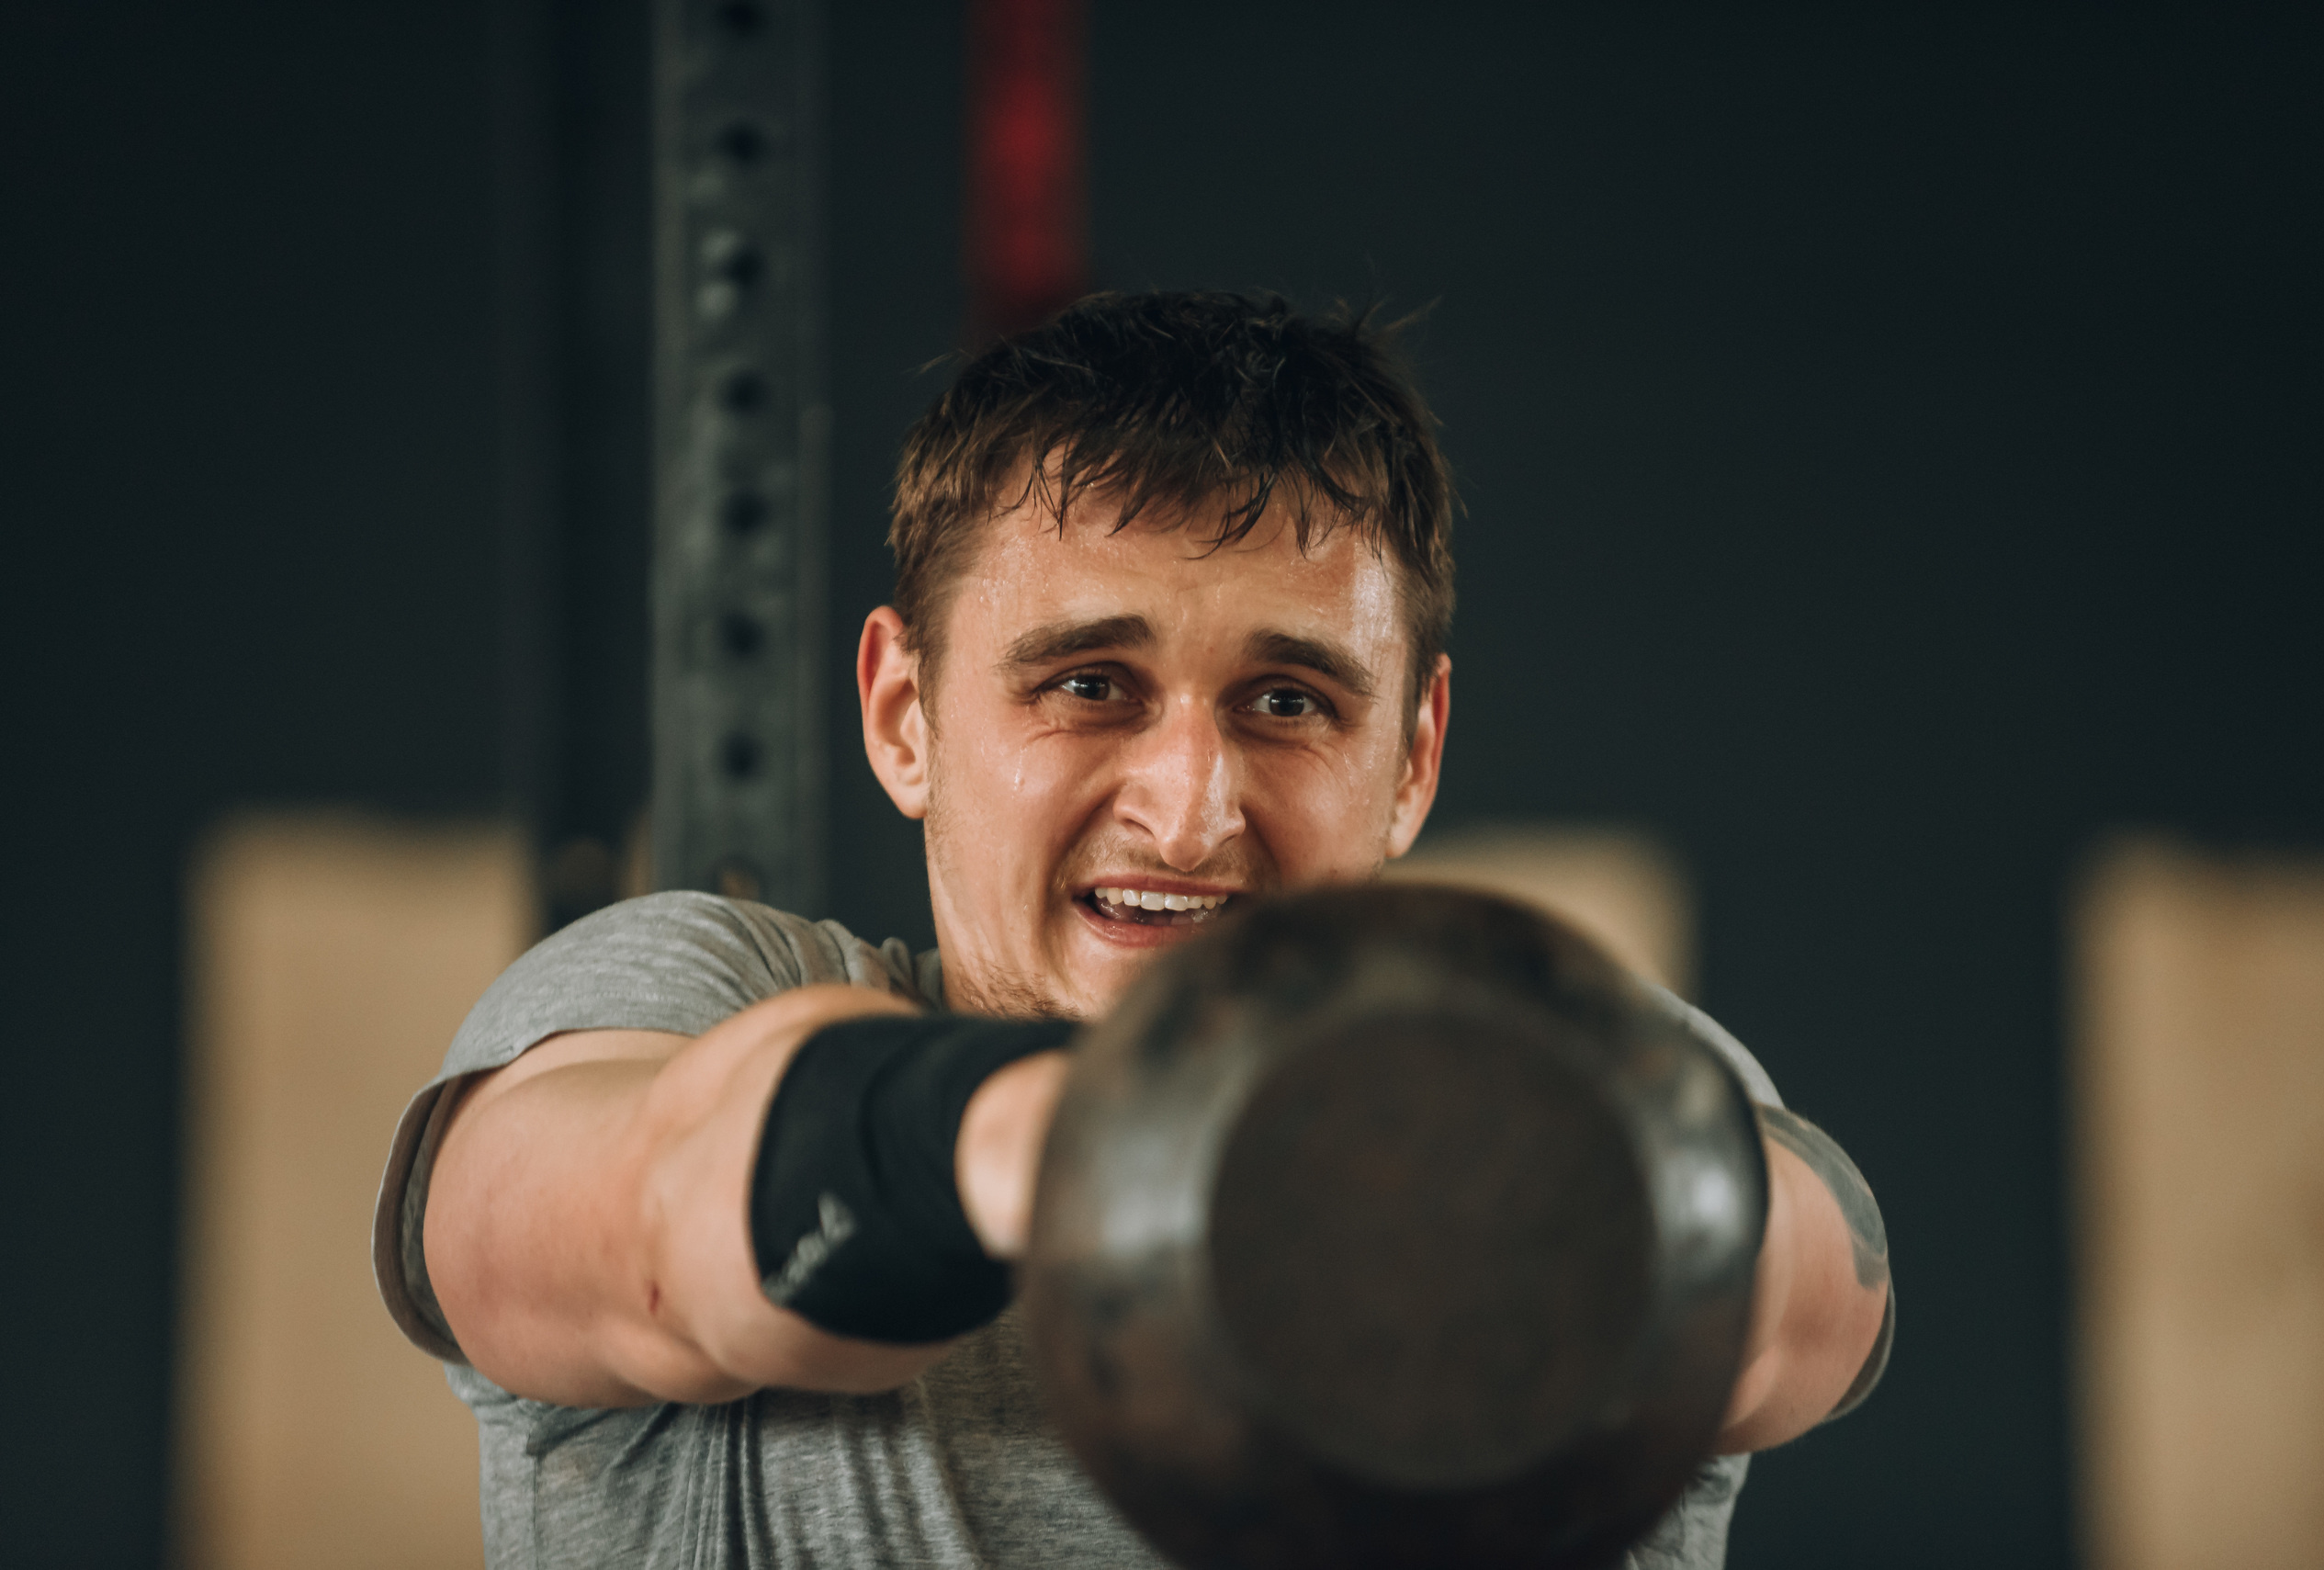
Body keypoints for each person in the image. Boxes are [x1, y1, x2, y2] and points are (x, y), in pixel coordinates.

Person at [373, 289, 1892, 1569]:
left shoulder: (1558, 1073)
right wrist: (1068, 1139)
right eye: (1088, 683)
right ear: (906, 715)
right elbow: (643, 1216)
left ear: (1414, 756)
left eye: (1287, 702)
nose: (1187, 810)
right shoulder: (687, 998)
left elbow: (1805, 1293)